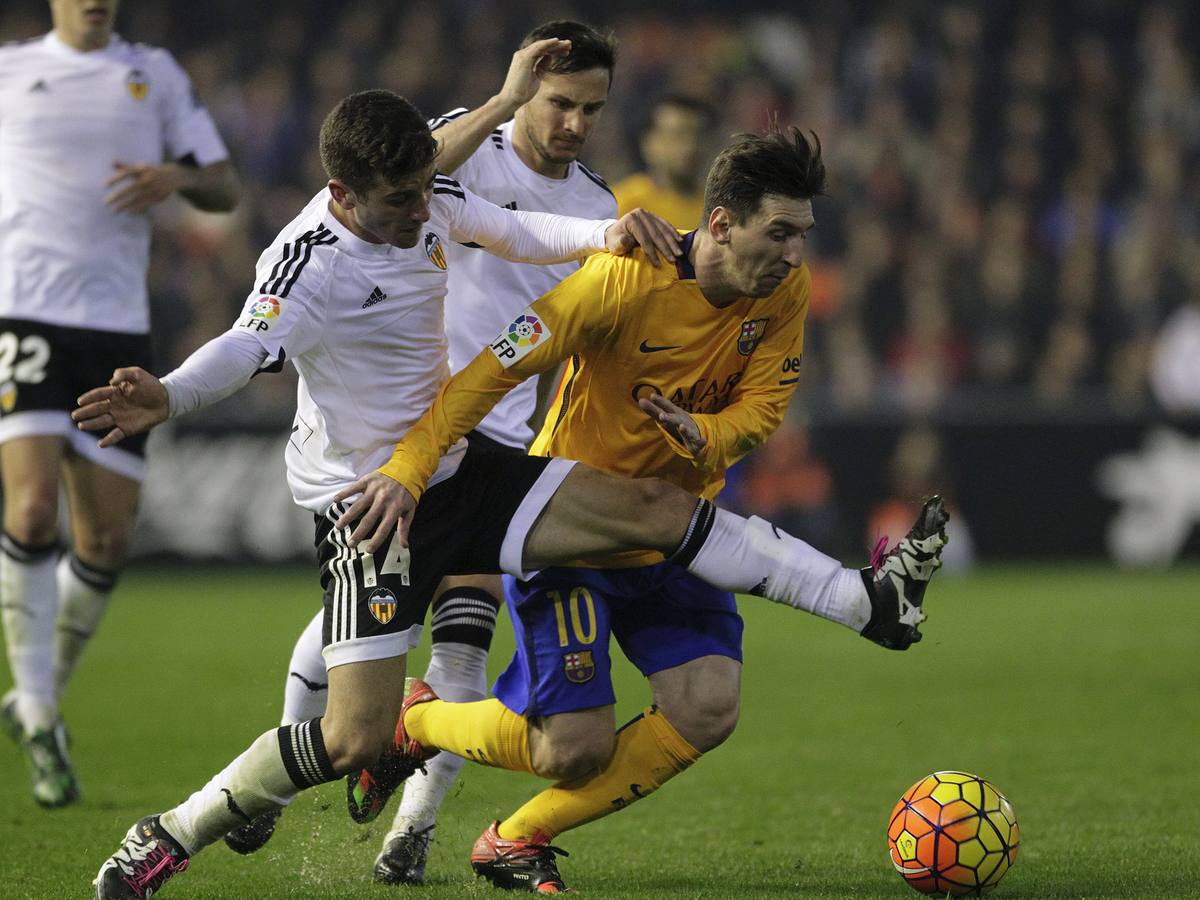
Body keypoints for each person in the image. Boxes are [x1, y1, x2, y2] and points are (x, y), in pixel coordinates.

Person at [79, 90, 937, 900]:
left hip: (462, 466)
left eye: (426, 191)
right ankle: (170, 832)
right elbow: (241, 347)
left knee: (654, 511)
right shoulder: (305, 261)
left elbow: (519, 230)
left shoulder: (433, 203)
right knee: (352, 739)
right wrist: (170, 392)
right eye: (400, 200)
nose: (424, 213)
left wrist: (611, 234)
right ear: (341, 193)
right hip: (372, 505)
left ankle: (865, 602)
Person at [342, 125, 950, 893]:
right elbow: (492, 370)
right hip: (575, 533)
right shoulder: (621, 281)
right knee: (573, 750)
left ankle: (515, 838)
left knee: (707, 707)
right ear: (723, 225)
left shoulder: (781, 292)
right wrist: (408, 463)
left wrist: (707, 433)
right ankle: (416, 723)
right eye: (782, 233)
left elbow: (763, 409)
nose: (797, 254)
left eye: (803, 234)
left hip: (676, 531)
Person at [240, 21, 623, 884]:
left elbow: (585, 321)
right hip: (406, 423)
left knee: (463, 630)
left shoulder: (595, 207)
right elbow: (398, 177)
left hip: (497, 424)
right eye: (560, 102)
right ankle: (269, 791)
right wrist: (506, 97)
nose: (572, 123)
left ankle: (412, 831)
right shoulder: (465, 145)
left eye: (589, 108)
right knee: (374, 619)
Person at [0, 0, 238, 808]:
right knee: (32, 511)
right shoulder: (11, 71)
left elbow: (223, 184)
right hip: (24, 317)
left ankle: (38, 692)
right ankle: (36, 710)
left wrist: (177, 179)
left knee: (104, 538)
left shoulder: (154, 75)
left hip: (114, 331)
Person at [612, 95, 715, 229]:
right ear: (648, 143)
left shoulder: (716, 211)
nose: (690, 145)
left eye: (698, 135)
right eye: (678, 135)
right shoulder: (623, 205)